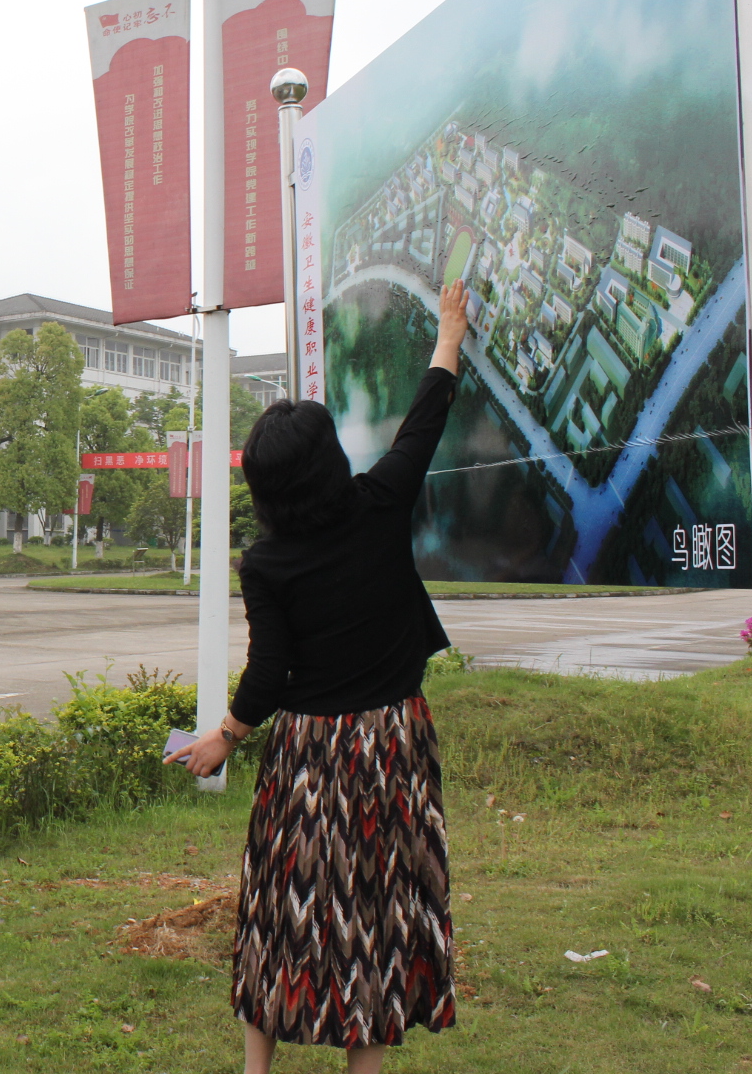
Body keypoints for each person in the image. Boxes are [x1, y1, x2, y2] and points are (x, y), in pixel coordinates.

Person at [172, 278, 469, 1074]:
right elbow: (426, 418)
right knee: (373, 909)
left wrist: (222, 741)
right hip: (390, 749)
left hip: (307, 759)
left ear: (265, 488)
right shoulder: (379, 505)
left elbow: (269, 674)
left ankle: (255, 1069)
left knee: (279, 909)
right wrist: (449, 329)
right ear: (329, 461)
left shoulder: (266, 563)